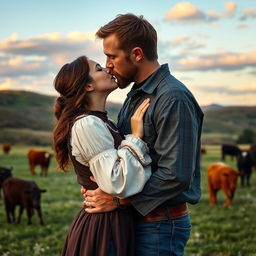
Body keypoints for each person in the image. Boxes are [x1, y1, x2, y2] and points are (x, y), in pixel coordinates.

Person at [82, 14, 204, 255]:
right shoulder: (137, 95)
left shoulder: (172, 98)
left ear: (137, 54)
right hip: (137, 222)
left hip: (158, 226)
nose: (107, 64)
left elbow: (175, 174)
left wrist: (119, 200)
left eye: (112, 56)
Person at [53, 55, 152, 256]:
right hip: (103, 226)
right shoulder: (87, 124)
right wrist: (135, 137)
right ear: (88, 86)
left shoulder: (101, 122)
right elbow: (117, 183)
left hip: (112, 220)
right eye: (98, 68)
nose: (107, 68)